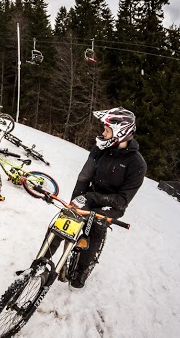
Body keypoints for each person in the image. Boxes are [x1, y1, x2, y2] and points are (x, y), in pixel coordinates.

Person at [50, 107, 147, 289]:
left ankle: (82, 270)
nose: (103, 133)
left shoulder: (137, 164)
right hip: (89, 195)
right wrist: (76, 200)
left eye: (107, 130)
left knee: (94, 229)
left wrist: (91, 198)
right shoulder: (101, 148)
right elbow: (84, 176)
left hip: (111, 205)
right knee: (65, 220)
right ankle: (42, 261)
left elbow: (122, 200)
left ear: (121, 132)